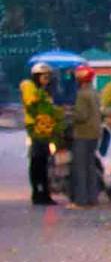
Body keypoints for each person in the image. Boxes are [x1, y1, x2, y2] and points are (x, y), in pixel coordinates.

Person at [21, 62, 57, 205]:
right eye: (44, 76)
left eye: (48, 76)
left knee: (44, 162)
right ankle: (37, 193)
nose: (46, 79)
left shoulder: (45, 91)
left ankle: (45, 193)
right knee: (36, 161)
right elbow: (32, 105)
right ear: (36, 77)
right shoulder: (28, 86)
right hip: (35, 129)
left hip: (46, 130)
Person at [68, 65, 103, 206]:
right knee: (90, 167)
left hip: (83, 134)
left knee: (80, 168)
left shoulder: (82, 94)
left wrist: (70, 113)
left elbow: (81, 116)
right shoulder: (94, 92)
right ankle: (92, 198)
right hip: (94, 133)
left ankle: (81, 200)